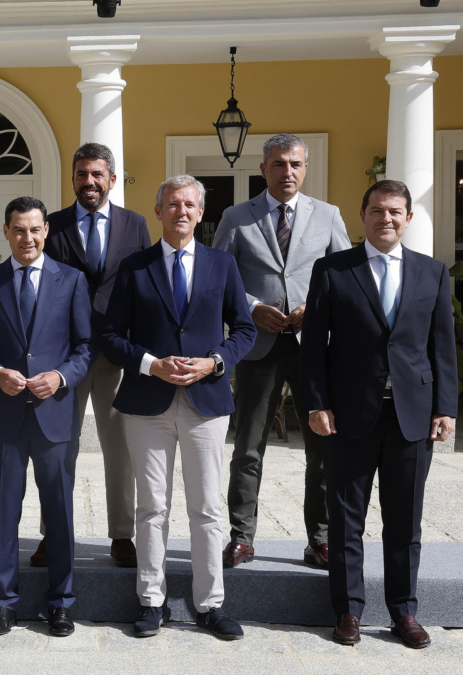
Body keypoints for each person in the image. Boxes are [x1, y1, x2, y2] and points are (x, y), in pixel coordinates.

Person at [301, 180, 456, 649]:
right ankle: (348, 609)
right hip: (349, 414)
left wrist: (446, 408)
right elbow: (313, 347)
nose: (385, 219)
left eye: (394, 212)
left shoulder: (433, 273)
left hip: (412, 414)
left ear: (408, 218)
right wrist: (316, 402)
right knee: (346, 517)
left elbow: (442, 347)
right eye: (376, 211)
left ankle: (403, 612)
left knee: (405, 520)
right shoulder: (332, 270)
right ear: (362, 214)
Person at [102, 175, 255, 640]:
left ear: (201, 212)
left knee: (207, 508)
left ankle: (209, 605)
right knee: (152, 507)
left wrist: (214, 362)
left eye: (189, 205)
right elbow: (110, 337)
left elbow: (244, 331)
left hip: (206, 404)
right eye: (172, 204)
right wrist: (151, 364)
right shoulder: (134, 267)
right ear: (159, 211)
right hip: (147, 404)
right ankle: (152, 601)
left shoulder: (222, 264)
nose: (181, 212)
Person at [213, 133, 352, 570]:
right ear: (263, 169)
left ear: (305, 168)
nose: (287, 172)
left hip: (315, 348)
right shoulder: (237, 216)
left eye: (294, 164)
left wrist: (318, 305)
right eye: (278, 164)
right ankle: (241, 537)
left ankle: (321, 540)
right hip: (259, 347)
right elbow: (219, 277)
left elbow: (346, 277)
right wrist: (252, 308)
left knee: (322, 448)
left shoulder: (327, 215)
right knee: (248, 447)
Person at [0, 196, 92, 638]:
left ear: (46, 231)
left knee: (59, 512)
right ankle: (3, 603)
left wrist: (60, 377)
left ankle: (61, 604)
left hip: (54, 414)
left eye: (35, 229)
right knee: (3, 513)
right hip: (4, 416)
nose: (27, 238)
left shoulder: (71, 280)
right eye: (19, 229)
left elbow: (85, 349)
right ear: (6, 232)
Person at [41, 142, 152, 569]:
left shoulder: (135, 225)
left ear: (112, 179)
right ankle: (54, 533)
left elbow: (141, 289)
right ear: (73, 178)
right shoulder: (53, 225)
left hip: (116, 356)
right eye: (82, 174)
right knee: (58, 448)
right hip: (65, 358)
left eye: (97, 175)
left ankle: (121, 535)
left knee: (119, 449)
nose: (90, 182)